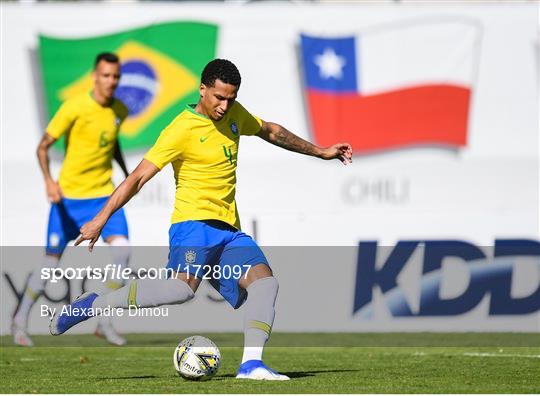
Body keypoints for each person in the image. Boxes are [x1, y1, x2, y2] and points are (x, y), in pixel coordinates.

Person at [50, 59, 353, 380]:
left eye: (231, 99)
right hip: (193, 225)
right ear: (203, 89)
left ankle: (251, 366)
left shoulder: (235, 114)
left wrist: (321, 152)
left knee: (266, 284)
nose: (224, 106)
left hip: (230, 231)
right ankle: (94, 304)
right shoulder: (181, 128)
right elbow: (138, 178)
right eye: (218, 98)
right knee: (181, 291)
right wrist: (101, 218)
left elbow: (270, 131)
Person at [12, 52, 131, 347]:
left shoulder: (120, 109)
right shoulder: (74, 107)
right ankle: (19, 321)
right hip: (68, 200)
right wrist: (49, 182)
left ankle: (103, 320)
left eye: (116, 76)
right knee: (48, 268)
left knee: (123, 253)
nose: (111, 81)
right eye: (106, 75)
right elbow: (43, 147)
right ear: (95, 76)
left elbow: (111, 139)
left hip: (104, 195)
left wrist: (128, 174)